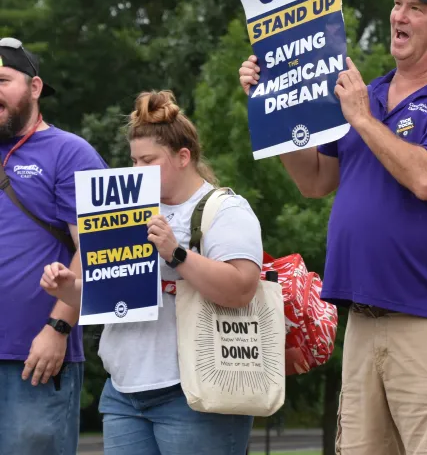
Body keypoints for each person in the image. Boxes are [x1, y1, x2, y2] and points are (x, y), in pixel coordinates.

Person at [239, 0, 427, 454]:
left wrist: (359, 118)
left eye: (416, 8)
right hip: (363, 316)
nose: (400, 15)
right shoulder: (370, 93)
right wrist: (269, 107)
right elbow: (314, 180)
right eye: (398, 5)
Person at [40, 90, 264, 455]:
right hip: (123, 392)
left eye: (148, 160)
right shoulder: (123, 209)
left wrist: (176, 254)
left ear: (182, 157)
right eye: (133, 161)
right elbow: (109, 299)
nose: (137, 171)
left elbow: (241, 289)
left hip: (194, 394)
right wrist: (66, 288)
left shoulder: (224, 208)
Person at [0, 37, 107, 455]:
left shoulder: (70, 153)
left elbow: (97, 248)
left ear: (35, 87)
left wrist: (58, 327)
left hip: (34, 358)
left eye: (3, 80)